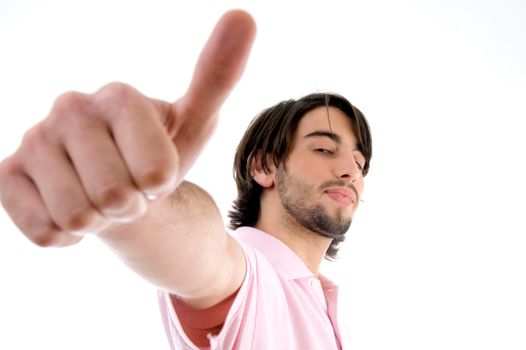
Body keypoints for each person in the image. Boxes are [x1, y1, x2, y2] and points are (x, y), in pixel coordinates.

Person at [0, 9, 372, 350]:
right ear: (263, 167)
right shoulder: (248, 280)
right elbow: (204, 258)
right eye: (324, 149)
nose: (351, 171)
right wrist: (139, 201)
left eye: (360, 161)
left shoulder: (324, 304)